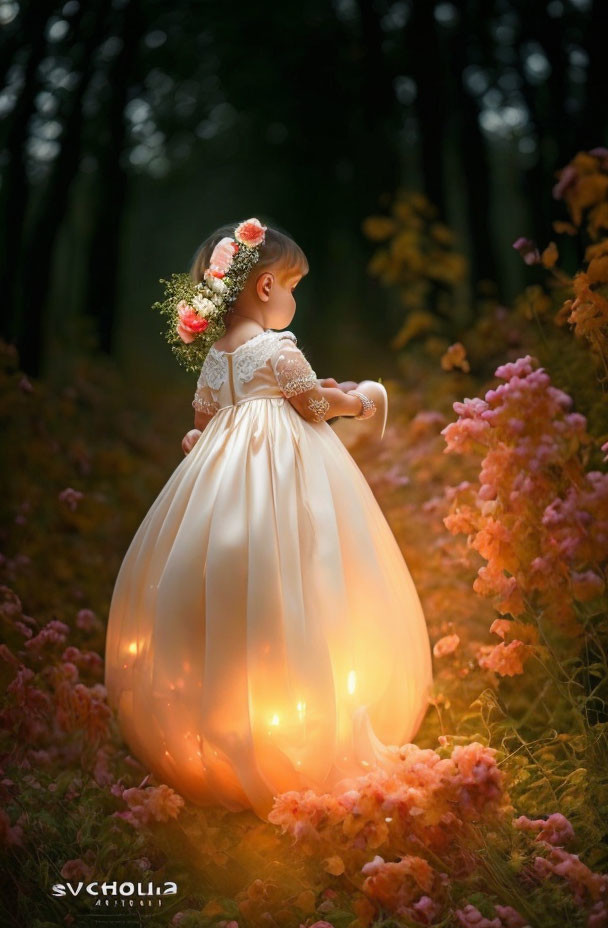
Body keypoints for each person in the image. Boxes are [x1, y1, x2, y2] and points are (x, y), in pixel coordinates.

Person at [104, 217, 433, 820]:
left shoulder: (215, 359)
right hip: (282, 477)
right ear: (263, 288)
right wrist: (362, 399)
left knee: (221, 582)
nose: (293, 299)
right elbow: (310, 402)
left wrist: (200, 442)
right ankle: (304, 716)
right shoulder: (276, 348)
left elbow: (200, 423)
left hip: (220, 482)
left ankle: (231, 722)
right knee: (303, 566)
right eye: (292, 286)